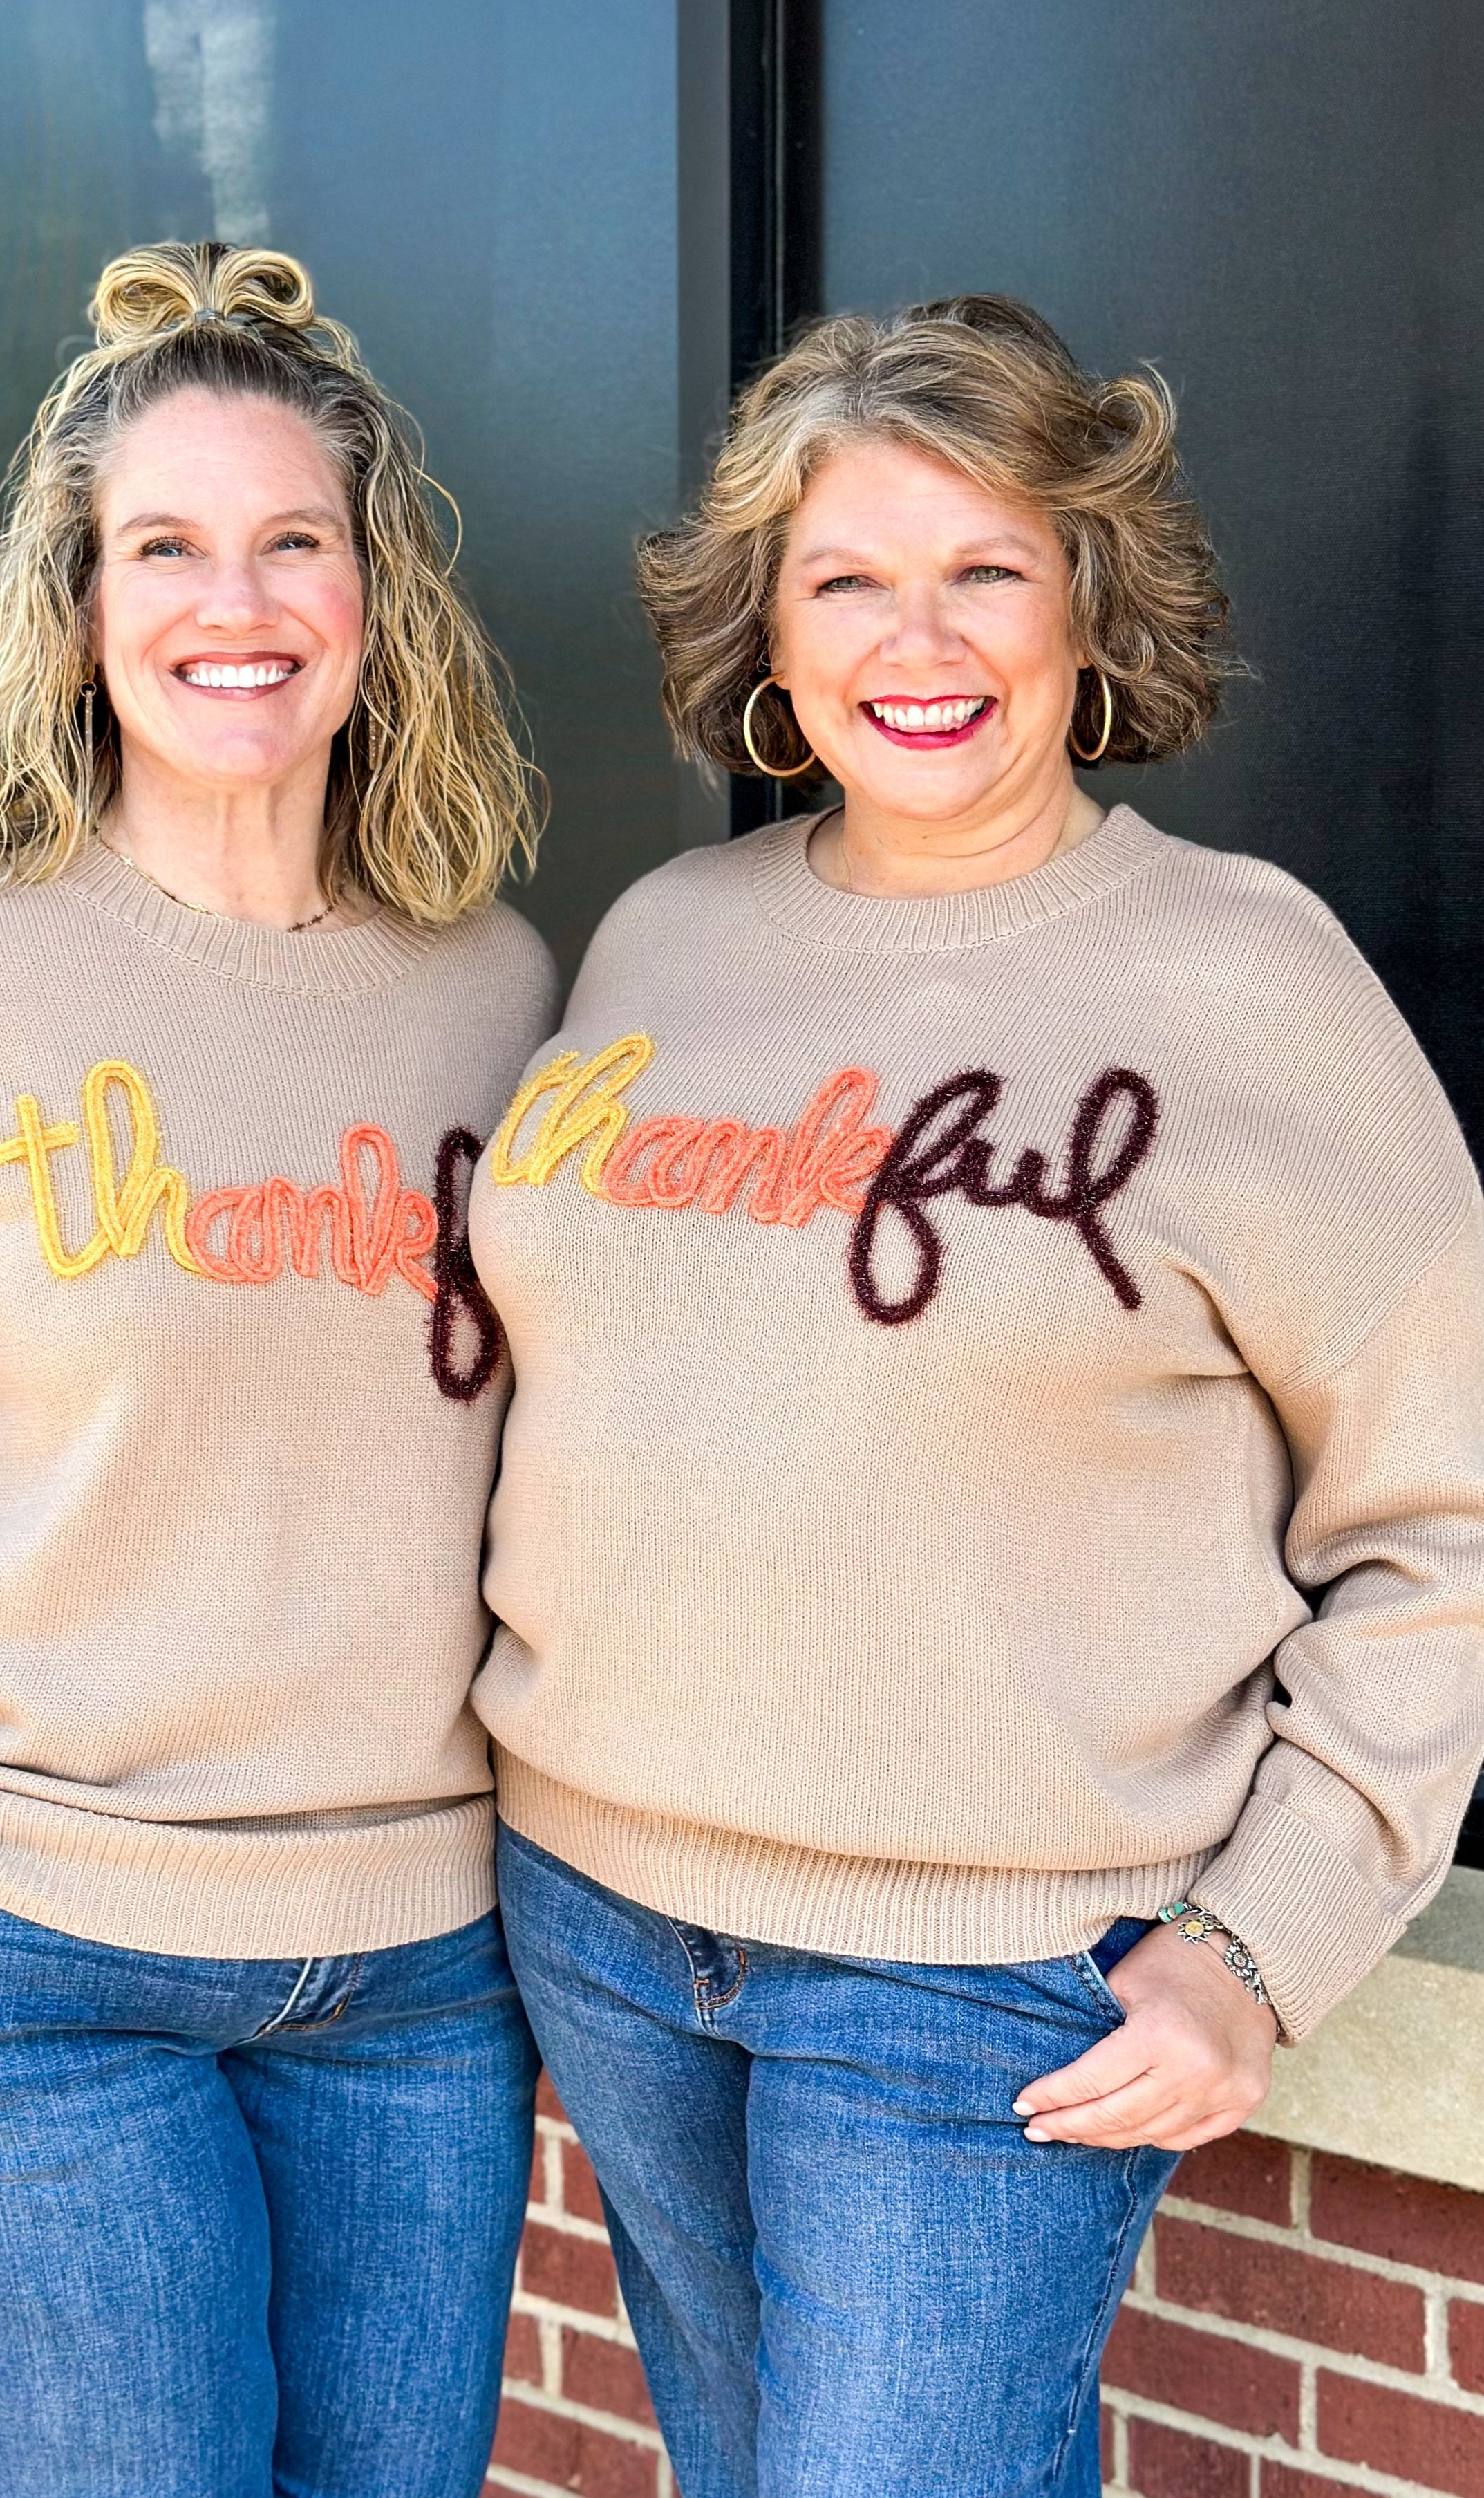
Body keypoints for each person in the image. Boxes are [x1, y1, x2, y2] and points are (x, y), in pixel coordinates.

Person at [469, 295, 1484, 2498]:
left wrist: (1263, 1937)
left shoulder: (1250, 982)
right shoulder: (662, 938)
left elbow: (1446, 1526)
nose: (913, 640)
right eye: (845, 578)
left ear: (1088, 601)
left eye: (984, 570)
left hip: (977, 1979)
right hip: (607, 1920)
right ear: (767, 623)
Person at [0, 240, 554, 2498]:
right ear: (76, 603)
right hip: (10, 1964)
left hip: (413, 1984)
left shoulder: (496, 988)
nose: (234, 600)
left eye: (295, 540)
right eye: (162, 546)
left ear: (381, 598)